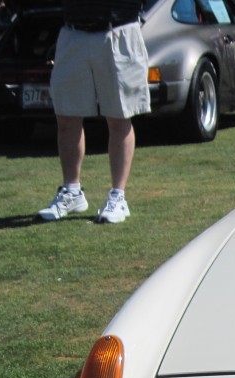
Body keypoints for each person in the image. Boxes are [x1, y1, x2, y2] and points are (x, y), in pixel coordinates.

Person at [37, 0, 149, 224]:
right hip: (73, 32)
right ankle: (72, 191)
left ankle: (118, 196)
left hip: (118, 31)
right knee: (67, 116)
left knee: (119, 116)